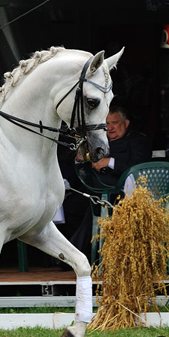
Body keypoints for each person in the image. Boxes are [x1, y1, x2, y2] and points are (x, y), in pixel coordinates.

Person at [65, 106, 152, 257]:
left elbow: (139, 166)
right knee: (68, 209)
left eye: (115, 123)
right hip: (91, 189)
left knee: (94, 210)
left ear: (126, 123)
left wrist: (109, 162)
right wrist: (80, 159)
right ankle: (85, 251)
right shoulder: (99, 141)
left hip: (118, 193)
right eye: (107, 124)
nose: (110, 128)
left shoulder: (138, 141)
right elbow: (77, 164)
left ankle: (73, 255)